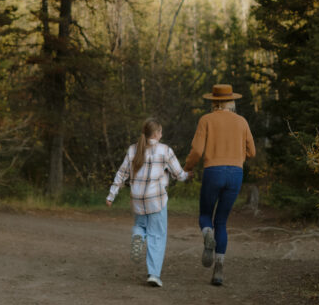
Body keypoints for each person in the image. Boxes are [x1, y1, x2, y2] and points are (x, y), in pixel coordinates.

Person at [184, 83, 255, 287]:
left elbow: (197, 151)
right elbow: (252, 152)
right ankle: (219, 269)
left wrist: (188, 168)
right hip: (236, 173)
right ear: (231, 101)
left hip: (213, 171)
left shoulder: (206, 120)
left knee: (206, 215)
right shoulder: (242, 122)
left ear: (214, 102)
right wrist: (237, 154)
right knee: (221, 221)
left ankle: (207, 235)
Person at [106, 119, 191, 288]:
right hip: (156, 200)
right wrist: (189, 175)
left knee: (141, 225)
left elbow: (122, 174)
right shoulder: (165, 150)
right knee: (157, 235)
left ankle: (138, 236)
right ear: (157, 133)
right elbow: (179, 174)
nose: (162, 134)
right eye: (161, 132)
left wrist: (111, 195)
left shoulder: (133, 149)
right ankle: (154, 274)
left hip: (137, 199)